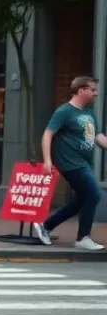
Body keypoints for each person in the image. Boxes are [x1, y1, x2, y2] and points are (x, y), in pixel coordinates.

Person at [35, 77, 104, 250]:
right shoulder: (64, 111)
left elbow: (98, 138)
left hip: (84, 163)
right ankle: (83, 238)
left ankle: (46, 226)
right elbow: (48, 134)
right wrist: (47, 160)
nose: (96, 93)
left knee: (82, 199)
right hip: (70, 163)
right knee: (94, 195)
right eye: (93, 89)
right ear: (81, 91)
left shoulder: (89, 114)